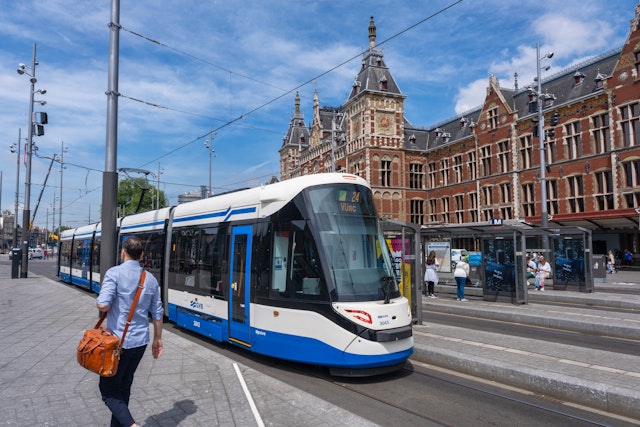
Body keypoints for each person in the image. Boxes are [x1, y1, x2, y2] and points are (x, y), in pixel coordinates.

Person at [96, 237, 164, 427]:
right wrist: (158, 339)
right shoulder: (150, 279)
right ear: (141, 255)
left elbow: (103, 304)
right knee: (124, 387)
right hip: (140, 342)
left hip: (117, 344)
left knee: (108, 390)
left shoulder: (114, 273)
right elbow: (158, 312)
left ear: (123, 253)